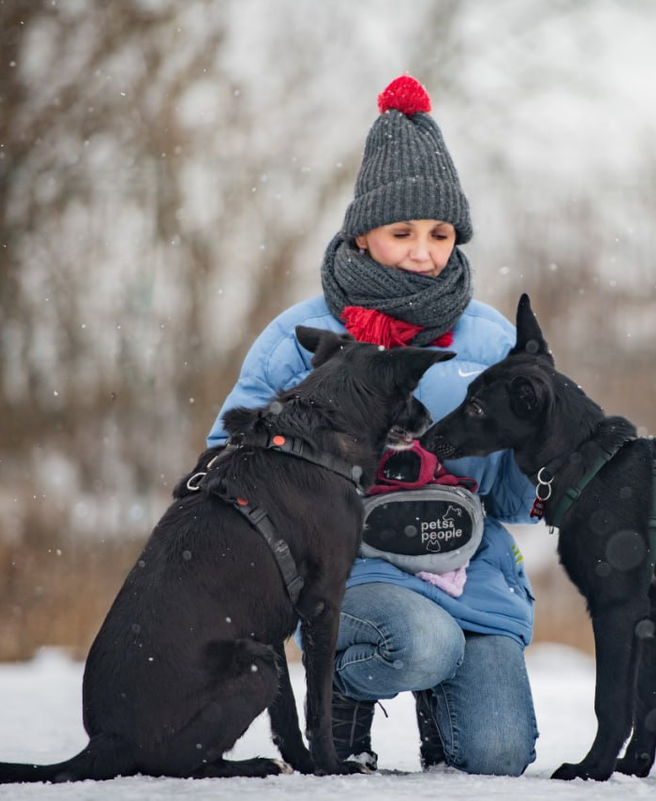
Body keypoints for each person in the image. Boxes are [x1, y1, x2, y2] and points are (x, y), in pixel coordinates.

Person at [206, 75, 538, 776]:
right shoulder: (304, 336)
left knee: (500, 753)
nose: (425, 251)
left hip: (465, 568)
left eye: (441, 233)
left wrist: (537, 447)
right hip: (351, 575)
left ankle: (443, 708)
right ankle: (348, 685)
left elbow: (515, 500)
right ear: (363, 233)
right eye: (403, 232)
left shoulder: (491, 340)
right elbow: (225, 461)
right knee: (418, 641)